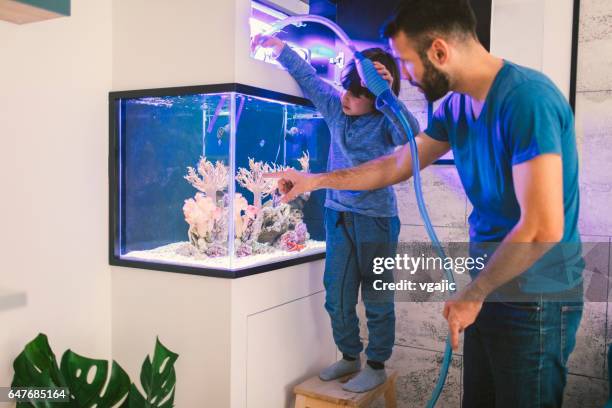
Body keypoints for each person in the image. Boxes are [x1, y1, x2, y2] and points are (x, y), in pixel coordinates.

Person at [268, 0, 583, 406]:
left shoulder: (527, 100)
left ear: (439, 51)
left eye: (406, 62)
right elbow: (396, 165)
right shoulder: (454, 108)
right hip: (487, 287)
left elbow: (542, 227)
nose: (408, 76)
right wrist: (315, 180)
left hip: (535, 297)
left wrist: (475, 291)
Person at [251, 34, 420, 392]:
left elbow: (412, 132)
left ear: (373, 97)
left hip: (377, 220)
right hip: (337, 215)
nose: (347, 97)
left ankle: (376, 364)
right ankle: (348, 356)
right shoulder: (336, 107)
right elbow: (310, 78)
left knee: (376, 296)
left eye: (358, 94)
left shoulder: (386, 122)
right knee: (336, 295)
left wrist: (387, 94)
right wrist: (279, 48)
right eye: (347, 89)